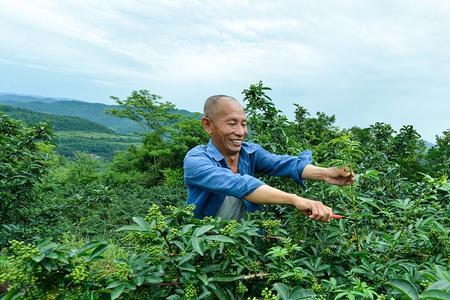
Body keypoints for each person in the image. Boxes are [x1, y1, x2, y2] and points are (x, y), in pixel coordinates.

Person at [183, 95, 355, 222]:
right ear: (208, 125)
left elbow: (285, 164)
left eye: (243, 123)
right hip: (205, 243)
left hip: (243, 241)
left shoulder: (249, 152)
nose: (241, 132)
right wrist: (295, 199)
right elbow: (241, 185)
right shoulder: (196, 160)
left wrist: (326, 173)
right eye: (232, 123)